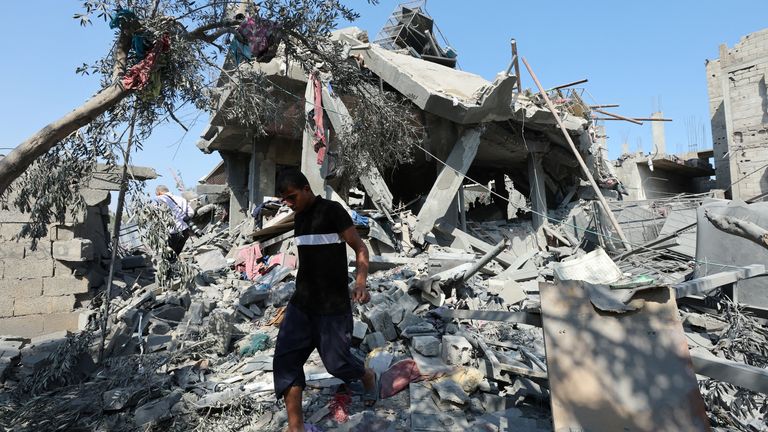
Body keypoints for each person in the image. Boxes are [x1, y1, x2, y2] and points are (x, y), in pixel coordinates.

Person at [272, 170, 377, 432]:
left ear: (306, 189)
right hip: (302, 304)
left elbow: (360, 248)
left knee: (336, 363)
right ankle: (295, 427)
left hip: (333, 306)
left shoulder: (332, 211)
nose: (289, 203)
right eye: (285, 200)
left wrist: (361, 282)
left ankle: (366, 375)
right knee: (285, 362)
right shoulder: (298, 217)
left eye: (292, 197)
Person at [153, 185, 194, 257]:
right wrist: (182, 219)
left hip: (171, 232)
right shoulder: (181, 199)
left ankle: (171, 266)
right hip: (185, 231)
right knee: (176, 254)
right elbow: (191, 213)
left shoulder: (159, 199)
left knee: (168, 256)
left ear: (159, 193)